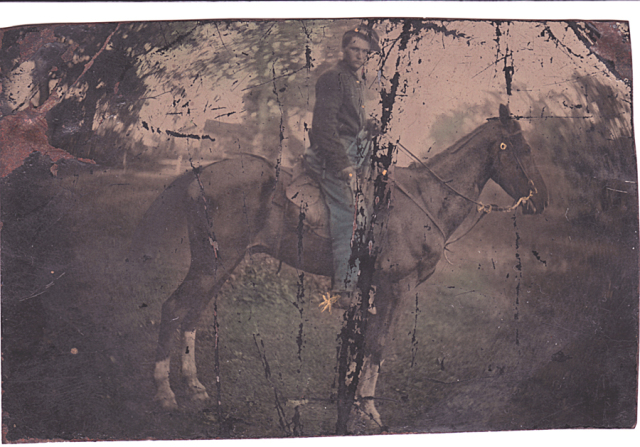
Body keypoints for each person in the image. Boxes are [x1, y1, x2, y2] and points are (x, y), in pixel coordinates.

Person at [304, 26, 380, 307]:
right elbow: (324, 128)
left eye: (364, 51)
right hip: (332, 156)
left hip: (353, 151)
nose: (360, 55)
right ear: (344, 49)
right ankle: (343, 290)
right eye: (355, 49)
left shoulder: (354, 80)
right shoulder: (333, 78)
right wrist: (344, 166)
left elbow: (347, 122)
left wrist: (368, 126)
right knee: (351, 215)